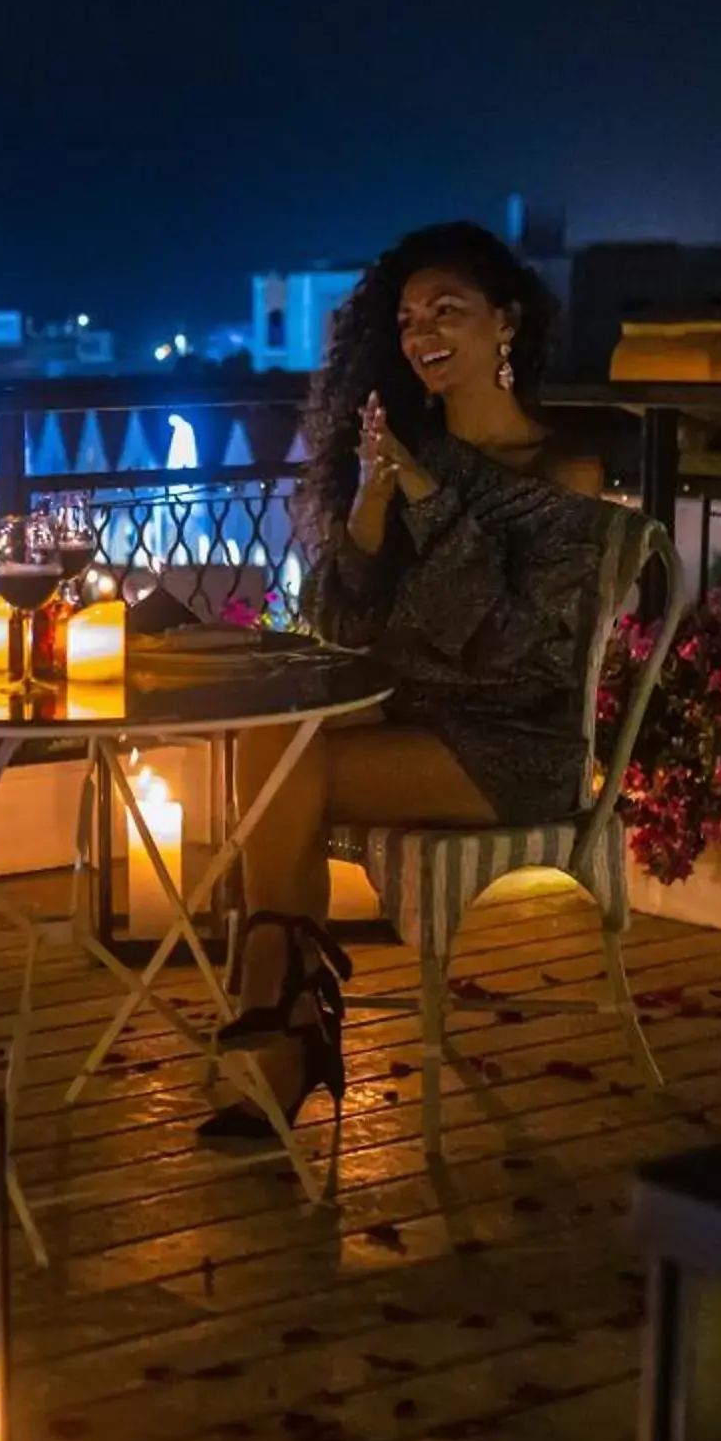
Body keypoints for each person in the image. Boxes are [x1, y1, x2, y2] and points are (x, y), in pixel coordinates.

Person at [206, 222, 614, 1138]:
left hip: (515, 745)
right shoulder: (411, 452)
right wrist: (370, 506)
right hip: (411, 718)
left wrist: (428, 499)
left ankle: (279, 1008)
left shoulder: (563, 470)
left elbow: (516, 648)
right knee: (269, 731)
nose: (422, 331)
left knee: (282, 769)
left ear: (503, 324)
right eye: (407, 317)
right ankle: (286, 1005)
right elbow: (344, 627)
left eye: (447, 311)